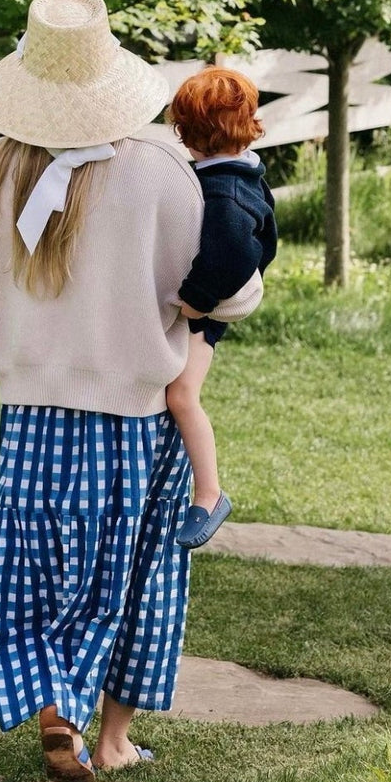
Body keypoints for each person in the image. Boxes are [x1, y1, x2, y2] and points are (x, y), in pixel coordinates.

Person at [0, 0, 262, 782]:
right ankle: (112, 739)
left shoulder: (1, 163)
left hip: (29, 410)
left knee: (35, 561)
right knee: (135, 570)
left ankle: (54, 702)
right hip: (131, 413)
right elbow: (223, 289)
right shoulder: (160, 168)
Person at [165, 67, 277, 549]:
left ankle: (209, 493)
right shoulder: (242, 171)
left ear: (189, 132)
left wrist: (196, 300)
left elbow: (236, 251)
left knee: (182, 396)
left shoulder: (225, 191)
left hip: (209, 308)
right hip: (215, 303)